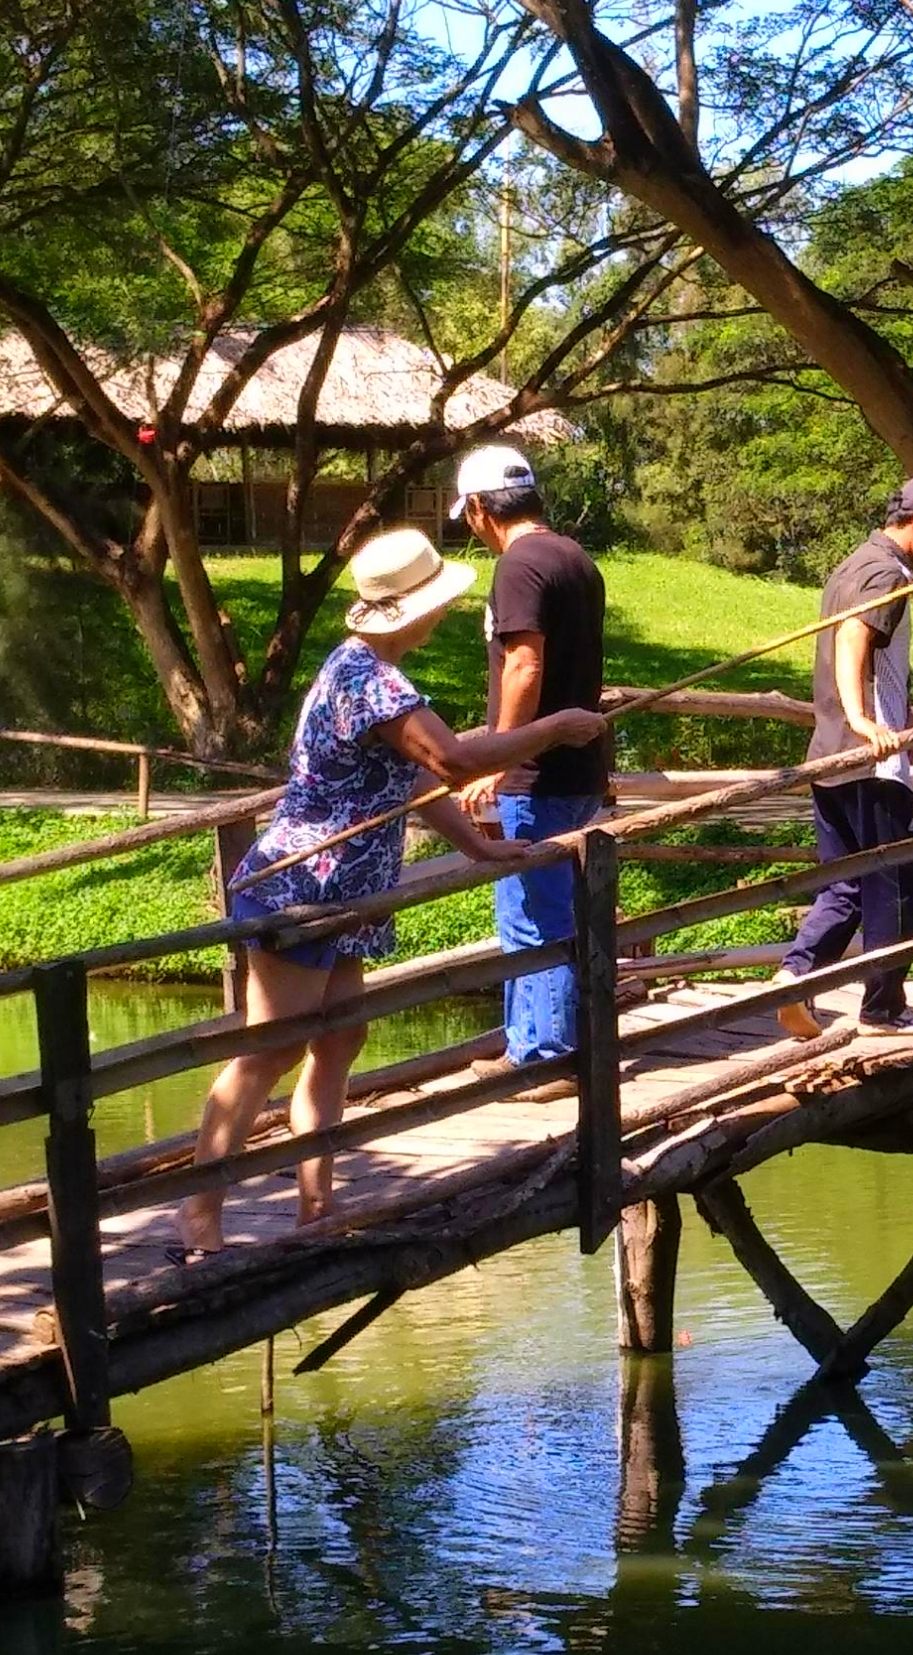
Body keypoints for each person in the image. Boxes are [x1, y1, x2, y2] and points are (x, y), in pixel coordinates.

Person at [175, 530, 609, 1257]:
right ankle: (198, 1214)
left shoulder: (375, 673)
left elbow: (412, 778)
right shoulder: (372, 681)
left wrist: (477, 845)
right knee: (268, 1053)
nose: (443, 615)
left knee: (340, 1038)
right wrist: (553, 729)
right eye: (437, 605)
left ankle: (318, 1205)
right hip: (300, 889)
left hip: (348, 895)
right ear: (409, 610)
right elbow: (457, 759)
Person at [775, 474, 913, 1035]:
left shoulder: (854, 562)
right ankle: (882, 1009)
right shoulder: (885, 573)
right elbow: (853, 635)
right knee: (901, 884)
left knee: (846, 885)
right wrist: (862, 718)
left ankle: (794, 979)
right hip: (871, 758)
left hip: (832, 757)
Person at [449, 445, 611, 1072]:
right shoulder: (576, 558)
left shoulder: (518, 565)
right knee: (550, 908)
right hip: (575, 766)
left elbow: (525, 663)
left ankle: (545, 1054)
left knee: (530, 917)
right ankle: (530, 1042)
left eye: (470, 514)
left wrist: (495, 757)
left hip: (536, 773)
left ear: (482, 509)